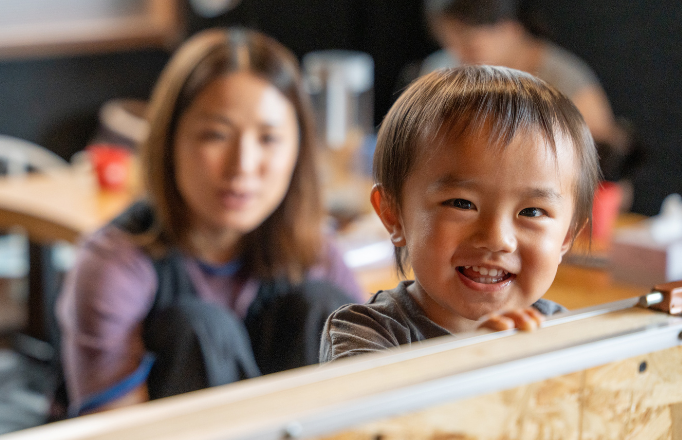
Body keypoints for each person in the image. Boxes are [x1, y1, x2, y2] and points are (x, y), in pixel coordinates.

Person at [56, 28, 365, 415]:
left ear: (298, 150)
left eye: (269, 139)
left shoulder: (313, 249)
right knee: (198, 329)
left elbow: (380, 394)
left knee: (323, 306)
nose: (243, 167)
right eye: (216, 135)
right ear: (169, 142)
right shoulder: (113, 264)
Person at [320, 65, 600, 362]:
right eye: (462, 204)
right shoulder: (366, 334)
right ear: (393, 214)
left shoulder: (561, 334)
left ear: (567, 235)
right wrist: (471, 362)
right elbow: (375, 407)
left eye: (532, 211)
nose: (496, 238)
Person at [415, 0, 625, 151]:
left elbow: (608, 173)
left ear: (511, 29)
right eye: (448, 42)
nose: (457, 56)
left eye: (469, 45)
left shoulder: (565, 81)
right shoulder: (440, 68)